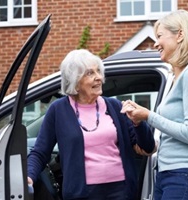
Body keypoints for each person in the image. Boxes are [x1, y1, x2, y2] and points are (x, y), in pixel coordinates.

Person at [27, 49, 155, 200]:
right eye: (90, 73)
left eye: (98, 71)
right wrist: (29, 176)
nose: (99, 77)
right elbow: (41, 152)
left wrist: (138, 123)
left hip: (121, 191)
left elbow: (147, 147)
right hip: (81, 194)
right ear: (75, 81)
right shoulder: (58, 110)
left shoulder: (114, 106)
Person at [121, 9, 188, 200]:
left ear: (180, 35)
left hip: (184, 174)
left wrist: (148, 116)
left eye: (160, 36)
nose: (156, 43)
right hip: (168, 173)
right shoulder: (176, 78)